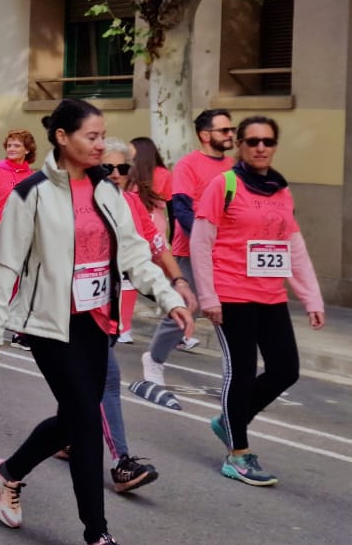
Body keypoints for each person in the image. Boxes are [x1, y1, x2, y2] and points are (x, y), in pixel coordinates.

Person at [0, 100, 194, 545]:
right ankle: (98, 539)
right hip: (49, 325)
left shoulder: (107, 192)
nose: (101, 145)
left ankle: (8, 472)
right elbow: (6, 265)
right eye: (92, 137)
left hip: (98, 320)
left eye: (103, 136)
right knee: (85, 420)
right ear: (62, 138)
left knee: (77, 417)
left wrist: (168, 295)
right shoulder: (30, 194)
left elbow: (136, 255)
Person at [191, 114, 326, 488]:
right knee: (243, 371)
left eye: (268, 141)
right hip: (231, 294)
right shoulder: (224, 185)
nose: (261, 147)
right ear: (240, 146)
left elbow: (292, 246)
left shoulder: (281, 190)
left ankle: (230, 421)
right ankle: (237, 456)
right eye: (253, 141)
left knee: (286, 369)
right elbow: (200, 243)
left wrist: (311, 296)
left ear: (275, 146)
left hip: (270, 295)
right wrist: (208, 296)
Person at [98, 137, 175, 494]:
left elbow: (156, 247)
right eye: (107, 168)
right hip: (76, 312)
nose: (115, 174)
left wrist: (177, 283)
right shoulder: (78, 202)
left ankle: (22, 463)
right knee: (108, 381)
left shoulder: (131, 204)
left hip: (108, 308)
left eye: (122, 168)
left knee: (86, 391)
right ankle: (122, 462)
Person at [141, 110, 234, 391]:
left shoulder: (234, 166)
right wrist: (206, 241)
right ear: (206, 135)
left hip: (228, 254)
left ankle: (236, 380)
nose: (231, 134)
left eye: (232, 129)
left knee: (231, 314)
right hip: (192, 251)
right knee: (185, 310)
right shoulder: (187, 166)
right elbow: (181, 209)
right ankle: (154, 359)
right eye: (224, 130)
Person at [0, 130, 38, 230]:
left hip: (23, 233)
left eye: (16, 146)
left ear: (27, 150)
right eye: (9, 145)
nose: (11, 149)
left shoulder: (31, 176)